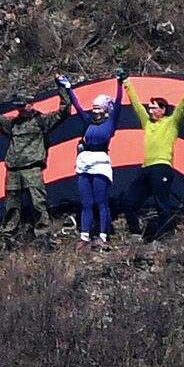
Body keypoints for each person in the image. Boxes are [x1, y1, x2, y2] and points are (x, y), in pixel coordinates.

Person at [0, 81, 73, 239]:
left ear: (31, 104)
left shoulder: (42, 121)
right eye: (18, 106)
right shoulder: (12, 124)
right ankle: (8, 236)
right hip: (13, 170)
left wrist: (61, 87)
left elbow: (64, 111)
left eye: (23, 105)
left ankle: (43, 236)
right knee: (11, 206)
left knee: (38, 203)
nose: (20, 109)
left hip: (32, 169)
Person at [121, 68, 184, 242]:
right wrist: (126, 82)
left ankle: (164, 237)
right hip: (146, 168)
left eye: (153, 107)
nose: (149, 110)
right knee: (129, 201)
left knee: (162, 204)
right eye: (149, 107)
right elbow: (136, 105)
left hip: (162, 167)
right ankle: (136, 234)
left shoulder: (171, 123)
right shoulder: (147, 123)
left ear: (163, 109)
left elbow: (183, 104)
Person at [60, 70, 126, 247]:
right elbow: (78, 106)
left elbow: (119, 103)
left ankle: (102, 236)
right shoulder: (89, 122)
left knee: (101, 201)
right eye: (94, 108)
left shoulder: (110, 123)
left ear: (105, 109)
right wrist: (68, 88)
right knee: (86, 202)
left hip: (100, 163)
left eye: (99, 108)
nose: (95, 111)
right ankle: (84, 236)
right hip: (84, 163)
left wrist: (120, 84)